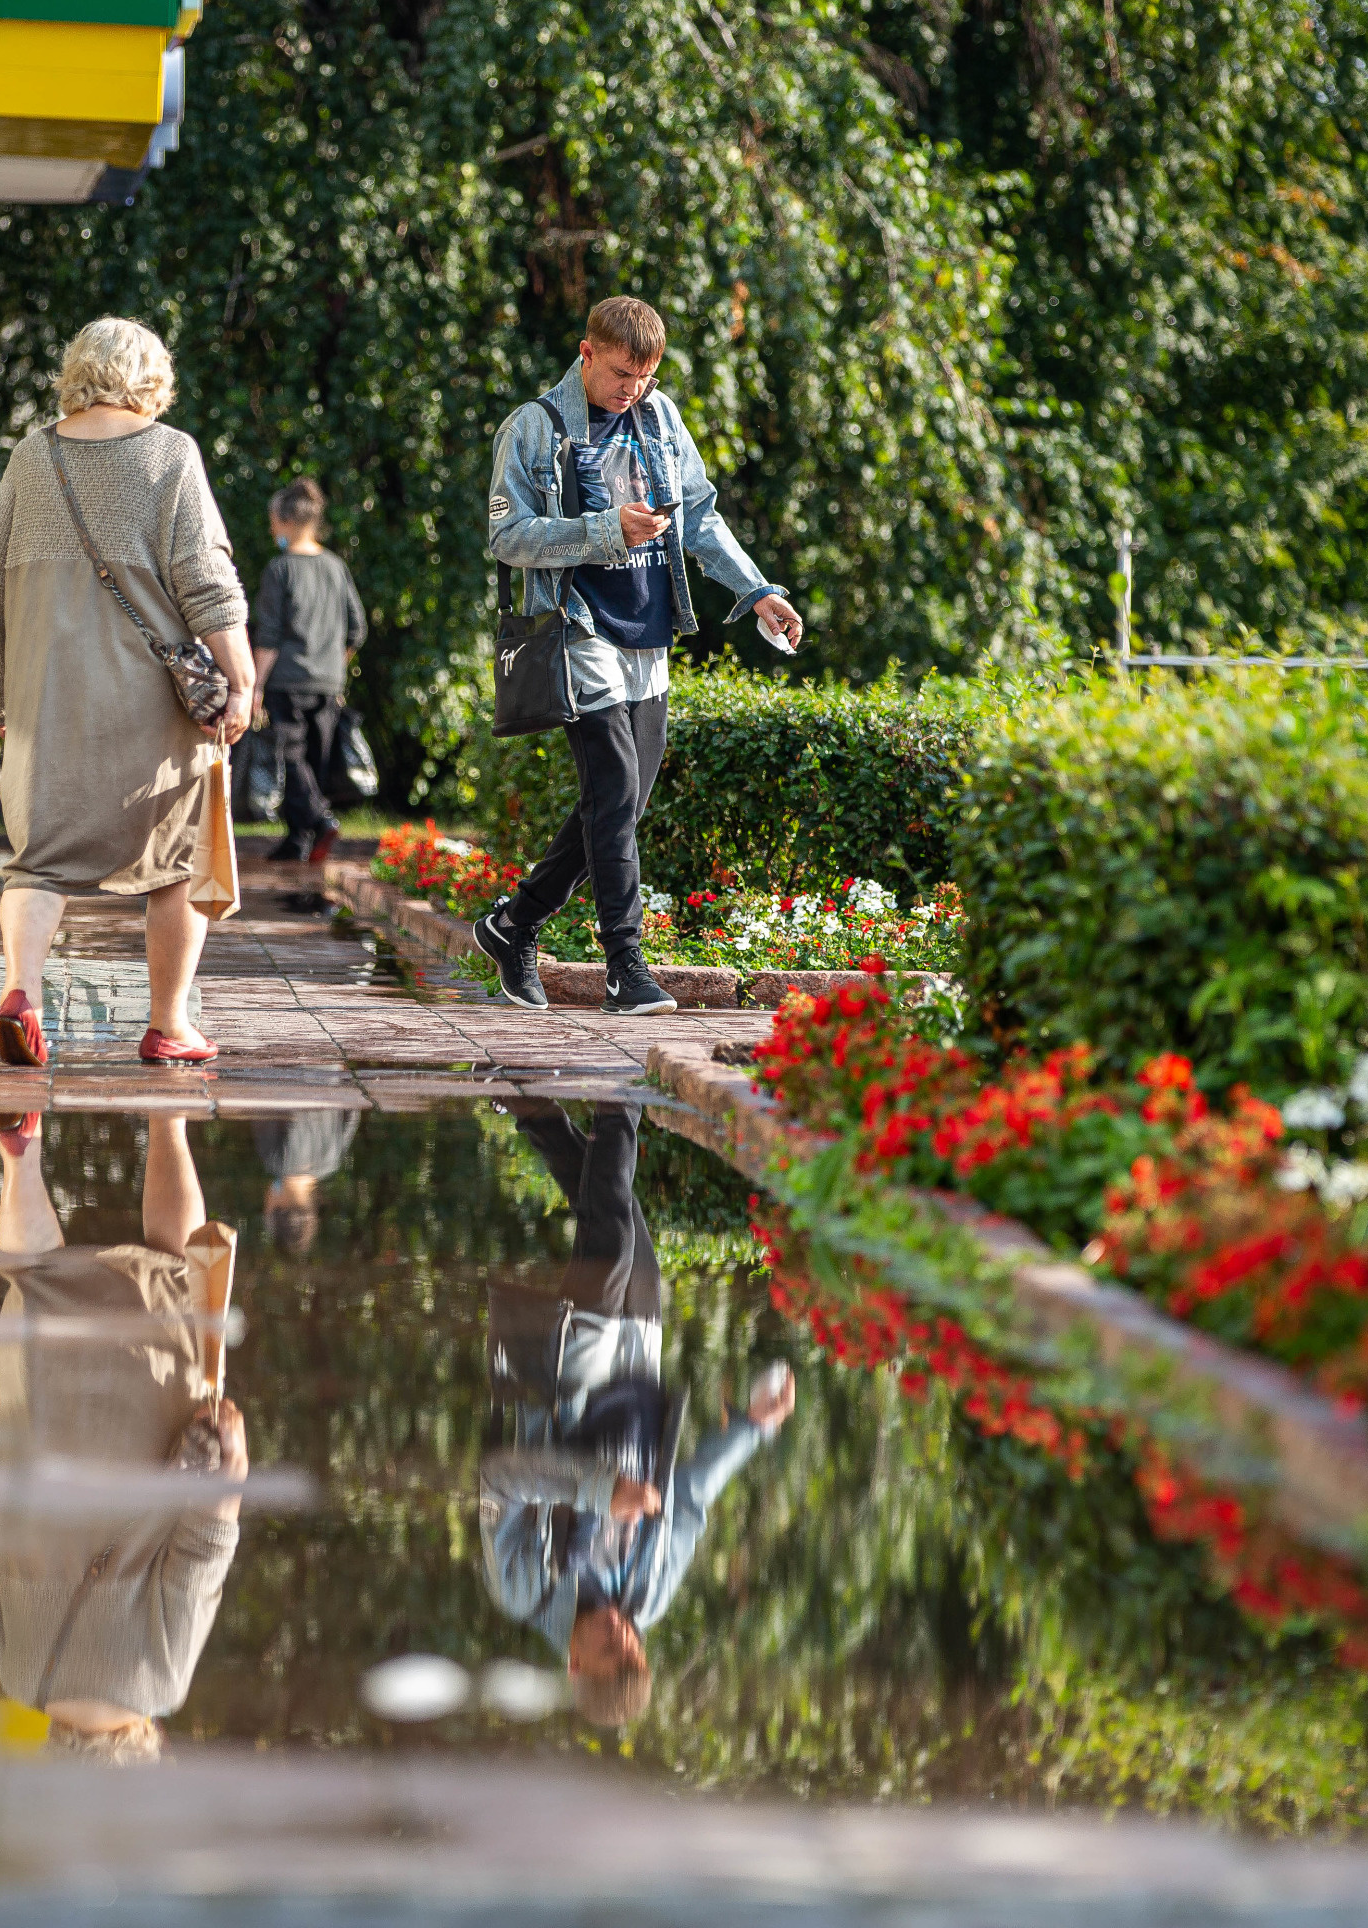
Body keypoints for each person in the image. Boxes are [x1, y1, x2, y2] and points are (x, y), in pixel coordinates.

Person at [472, 297, 808, 1016]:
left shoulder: (660, 419)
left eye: (646, 377)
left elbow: (702, 516)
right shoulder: (537, 426)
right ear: (587, 353)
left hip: (649, 632)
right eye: (623, 373)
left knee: (619, 803)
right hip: (578, 628)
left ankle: (514, 923)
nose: (633, 390)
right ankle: (626, 966)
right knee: (615, 793)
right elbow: (507, 538)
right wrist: (603, 531)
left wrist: (756, 593)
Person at [0, 317, 258, 1069]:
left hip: (47, 702)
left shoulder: (31, 458)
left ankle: (20, 994)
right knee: (174, 859)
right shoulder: (170, 454)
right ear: (152, 378)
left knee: (39, 861)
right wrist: (241, 674)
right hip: (151, 710)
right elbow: (204, 577)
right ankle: (170, 1025)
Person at [477, 1101, 797, 1727]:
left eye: (607, 1646)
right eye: (634, 1647)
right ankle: (533, 1111)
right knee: (633, 1244)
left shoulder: (521, 1589)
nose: (624, 1629)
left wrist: (599, 1491)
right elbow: (690, 1501)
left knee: (614, 1240)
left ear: (574, 1665)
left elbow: (499, 1477)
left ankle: (620, 1091)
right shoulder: (650, 1595)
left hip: (572, 1386)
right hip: (639, 1390)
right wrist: (753, 1430)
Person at [0, 1107, 248, 1762]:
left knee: (179, 1266)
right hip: (45, 1426)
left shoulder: (160, 1683)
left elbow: (201, 1553)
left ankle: (168, 1118)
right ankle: (21, 1159)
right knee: (35, 1275)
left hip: (150, 1437)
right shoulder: (21, 1680)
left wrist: (232, 1465)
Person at [249, 478, 368, 865]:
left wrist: (254, 685)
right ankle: (298, 839)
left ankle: (319, 820)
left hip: (287, 680)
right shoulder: (336, 566)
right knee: (315, 759)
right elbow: (357, 629)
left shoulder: (279, 569)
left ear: (284, 521)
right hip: (328, 682)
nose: (271, 531)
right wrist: (336, 668)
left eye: (272, 523)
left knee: (291, 757)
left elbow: (268, 635)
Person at [248, 1108, 359, 1252]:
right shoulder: (275, 1162)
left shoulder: (333, 1162)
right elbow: (262, 1107)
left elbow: (353, 1112)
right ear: (277, 1207)